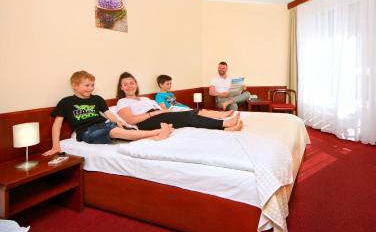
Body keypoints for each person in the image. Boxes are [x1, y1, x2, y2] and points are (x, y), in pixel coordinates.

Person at [43, 71, 172, 156]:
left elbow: (108, 113)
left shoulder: (97, 99)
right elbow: (57, 125)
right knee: (116, 133)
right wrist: (55, 146)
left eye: (92, 85)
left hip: (105, 124)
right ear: (74, 86)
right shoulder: (66, 102)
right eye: (87, 85)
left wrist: (118, 122)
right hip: (87, 131)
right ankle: (156, 132)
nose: (90, 88)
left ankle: (155, 138)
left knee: (122, 132)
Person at [116, 72, 243, 131]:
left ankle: (224, 126)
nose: (129, 86)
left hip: (159, 114)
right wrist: (153, 114)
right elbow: (131, 120)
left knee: (190, 114)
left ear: (136, 85)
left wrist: (160, 112)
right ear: (121, 88)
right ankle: (223, 125)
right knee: (188, 116)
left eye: (132, 83)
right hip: (146, 122)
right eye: (125, 84)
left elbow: (162, 109)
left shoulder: (145, 98)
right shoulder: (122, 101)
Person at [155, 74, 233, 119]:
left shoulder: (170, 94)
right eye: (167, 84)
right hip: (176, 111)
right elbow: (164, 109)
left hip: (181, 108)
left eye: (170, 84)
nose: (170, 86)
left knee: (201, 111)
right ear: (161, 85)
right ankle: (220, 115)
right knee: (199, 112)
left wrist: (183, 106)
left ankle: (219, 114)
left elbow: (175, 102)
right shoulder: (159, 96)